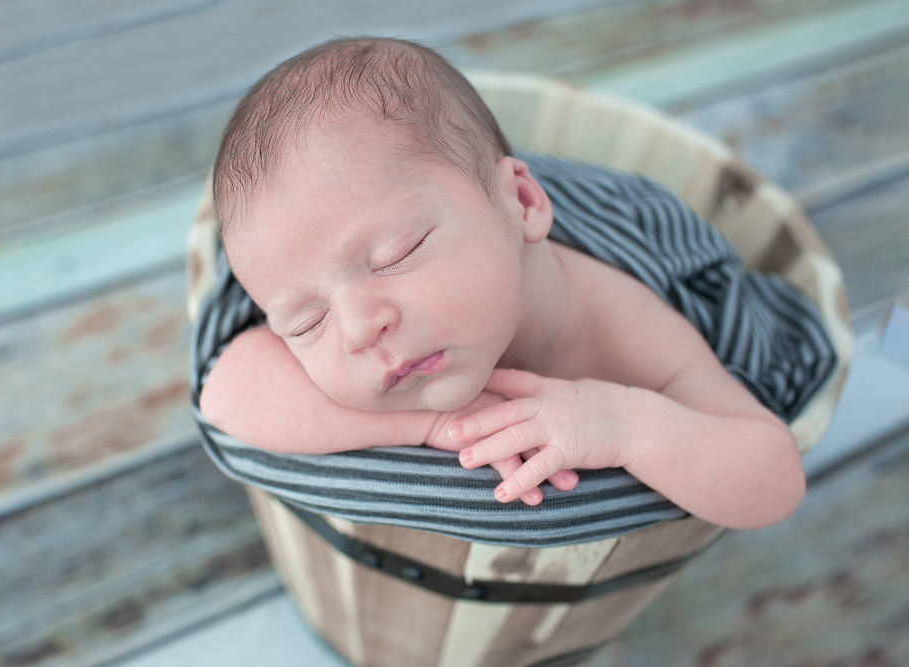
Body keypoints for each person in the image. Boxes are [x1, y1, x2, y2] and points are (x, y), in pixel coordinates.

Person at [199, 36, 806, 530]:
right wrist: (431, 426)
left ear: (522, 200)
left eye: (395, 254)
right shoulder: (380, 337)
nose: (359, 328)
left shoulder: (618, 323)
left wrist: (625, 425)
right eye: (307, 322)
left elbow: (772, 476)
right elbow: (224, 394)